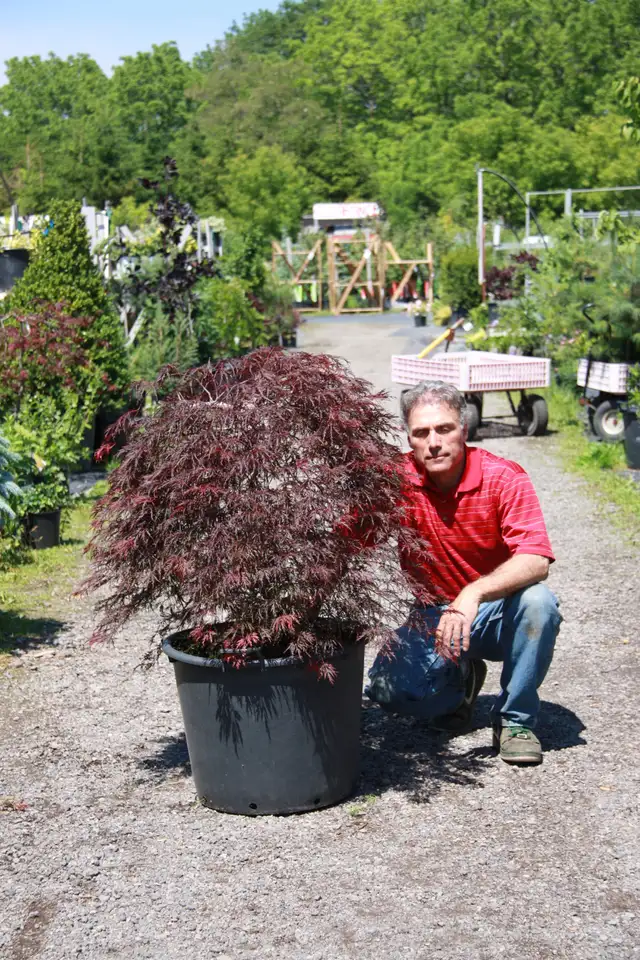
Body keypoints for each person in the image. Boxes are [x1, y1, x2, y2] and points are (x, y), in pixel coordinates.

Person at [366, 380, 562, 765]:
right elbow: (347, 541)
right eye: (421, 433)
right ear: (409, 438)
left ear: (464, 429)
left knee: (540, 603)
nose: (433, 442)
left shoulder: (503, 478)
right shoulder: (395, 482)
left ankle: (515, 719)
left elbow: (536, 559)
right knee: (390, 693)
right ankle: (461, 685)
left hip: (495, 612)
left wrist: (471, 594)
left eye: (444, 429)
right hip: (431, 617)